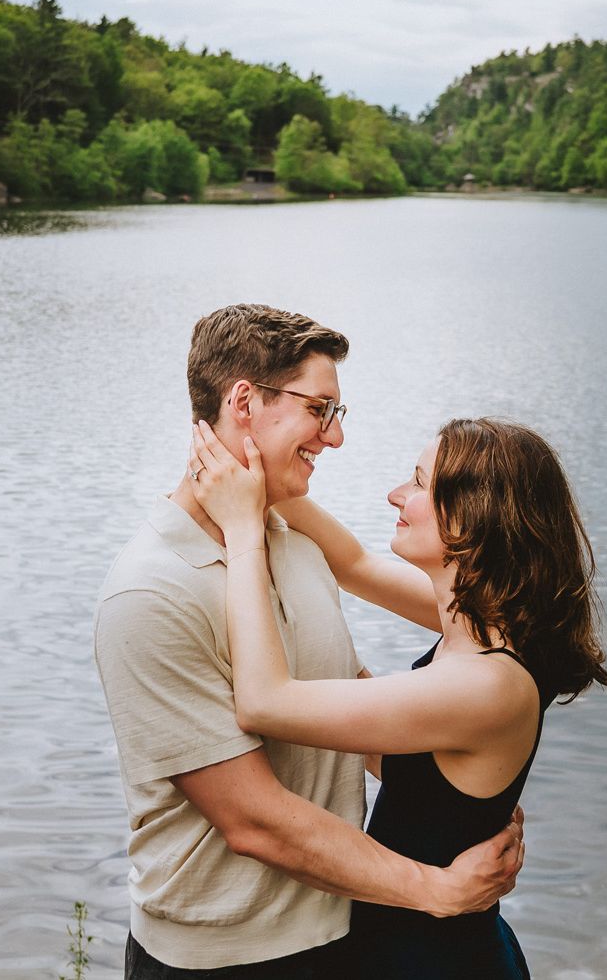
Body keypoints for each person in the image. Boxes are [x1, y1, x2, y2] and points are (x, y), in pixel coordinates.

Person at [94, 305, 523, 979]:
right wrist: (436, 889)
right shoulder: (150, 594)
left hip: (343, 936)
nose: (335, 438)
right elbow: (253, 819)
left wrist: (462, 799)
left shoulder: (291, 541)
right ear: (243, 402)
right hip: (224, 962)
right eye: (320, 409)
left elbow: (343, 697)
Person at [187, 414, 607, 979]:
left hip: (431, 959)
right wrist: (263, 473)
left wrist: (244, 532)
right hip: (431, 942)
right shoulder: (495, 623)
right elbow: (354, 565)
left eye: (417, 483)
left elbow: (264, 703)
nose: (396, 494)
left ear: (471, 516)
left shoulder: (486, 685)